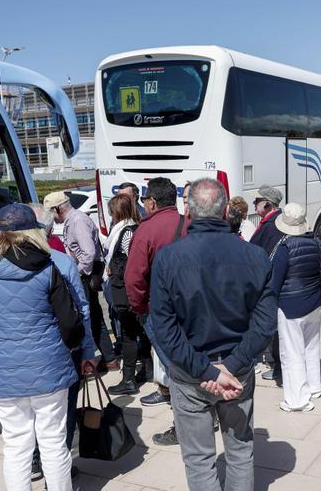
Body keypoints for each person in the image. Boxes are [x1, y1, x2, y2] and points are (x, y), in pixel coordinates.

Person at [148, 178, 277, 491]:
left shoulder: (169, 257)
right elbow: (265, 323)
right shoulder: (255, 256)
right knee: (240, 449)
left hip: (193, 372)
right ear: (225, 211)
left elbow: (164, 328)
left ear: (188, 211)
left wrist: (209, 370)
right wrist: (230, 367)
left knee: (199, 458)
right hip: (236, 370)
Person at [0, 204, 89, 491]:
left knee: (16, 446)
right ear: (34, 232)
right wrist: (69, 349)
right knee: (54, 444)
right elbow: (71, 323)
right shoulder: (48, 269)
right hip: (50, 372)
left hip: (4, 374)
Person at [28, 203, 97, 483]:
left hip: (14, 359)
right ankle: (58, 470)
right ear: (47, 229)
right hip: (60, 352)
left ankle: (35, 461)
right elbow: (82, 311)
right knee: (61, 416)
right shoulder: (61, 262)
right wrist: (88, 351)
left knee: (25, 420)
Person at [124, 177, 189, 446]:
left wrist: (140, 308)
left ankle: (183, 425)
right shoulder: (190, 224)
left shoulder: (146, 230)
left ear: (151, 202)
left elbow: (134, 278)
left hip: (159, 311)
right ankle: (206, 414)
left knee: (175, 369)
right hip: (192, 307)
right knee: (192, 364)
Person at [44, 191, 117, 370]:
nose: (50, 218)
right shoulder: (74, 220)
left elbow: (89, 253)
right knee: (93, 316)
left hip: (85, 275)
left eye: (50, 213)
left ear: (58, 209)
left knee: (90, 316)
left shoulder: (77, 221)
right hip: (85, 274)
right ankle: (109, 359)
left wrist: (75, 272)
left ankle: (105, 359)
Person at [269, 203, 321, 412]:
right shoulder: (315, 243)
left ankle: (297, 399)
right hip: (314, 302)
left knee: (292, 353)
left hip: (290, 305)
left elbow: (274, 282)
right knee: (311, 347)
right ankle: (314, 386)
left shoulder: (284, 248)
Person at [104, 194, 149, 395]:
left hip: (126, 290)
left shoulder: (127, 231)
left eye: (112, 211)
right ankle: (148, 371)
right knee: (140, 332)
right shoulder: (129, 229)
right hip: (128, 289)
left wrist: (113, 270)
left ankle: (129, 380)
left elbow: (130, 263)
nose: (110, 215)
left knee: (130, 334)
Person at [248, 185, 286, 382]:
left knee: (273, 328)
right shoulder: (276, 220)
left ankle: (277, 366)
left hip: (270, 284)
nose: (254, 204)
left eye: (257, 201)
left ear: (268, 204)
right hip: (275, 282)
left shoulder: (271, 224)